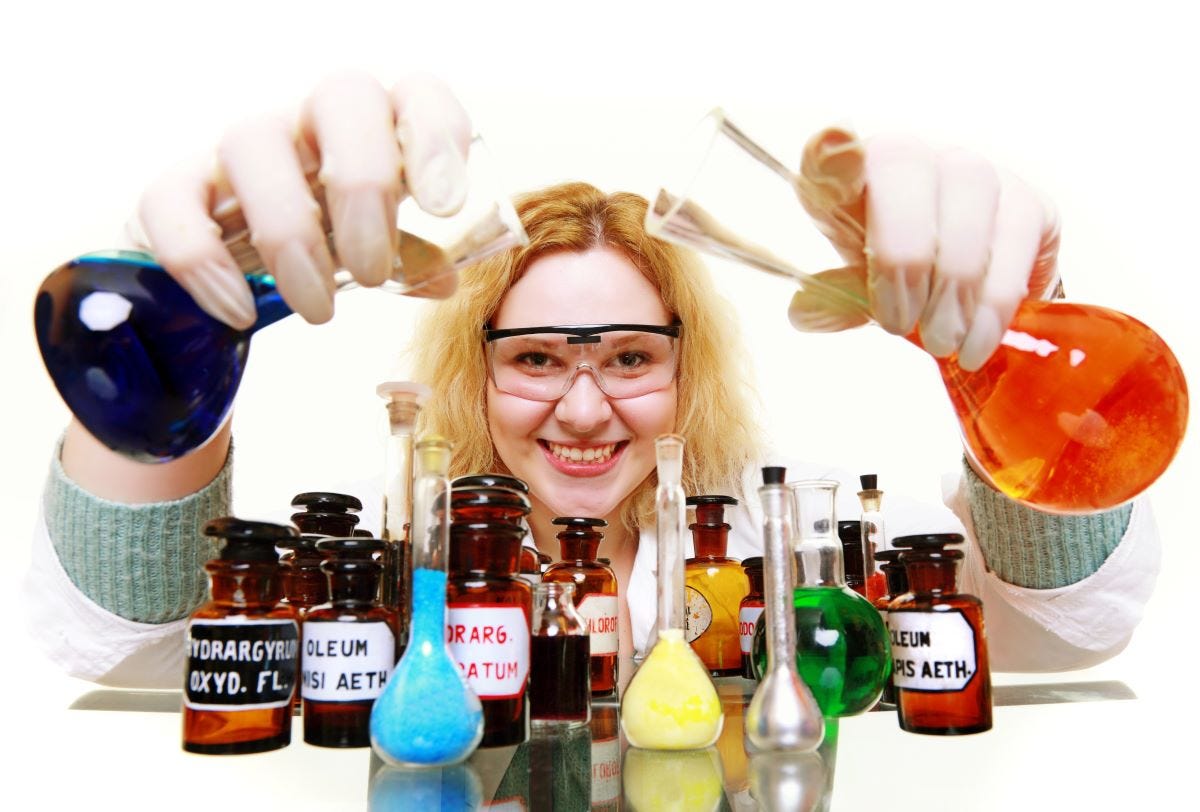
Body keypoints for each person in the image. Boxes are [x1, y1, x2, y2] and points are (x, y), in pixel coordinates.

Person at [26, 72, 1159, 687]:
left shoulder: (814, 545)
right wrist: (165, 330)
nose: (580, 405)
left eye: (627, 355)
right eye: (532, 357)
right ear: (473, 372)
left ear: (687, 362)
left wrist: (1009, 348)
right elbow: (121, 639)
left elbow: (1076, 614)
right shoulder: (388, 572)